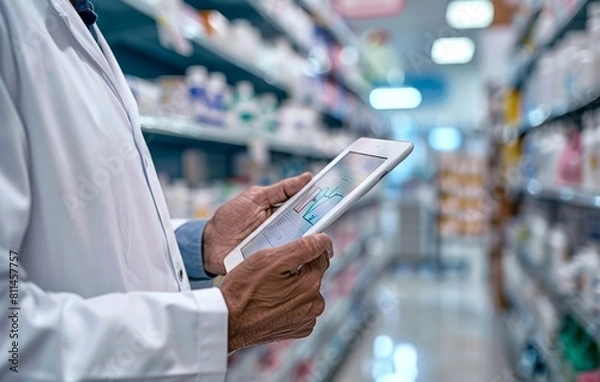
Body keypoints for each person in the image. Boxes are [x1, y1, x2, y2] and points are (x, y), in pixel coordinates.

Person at [0, 1, 333, 381]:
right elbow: (10, 344)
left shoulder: (78, 18)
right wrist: (223, 319)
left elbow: (100, 230)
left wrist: (203, 244)